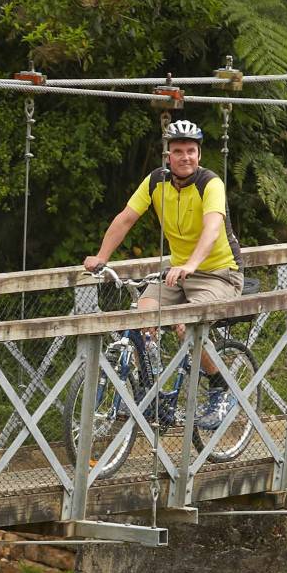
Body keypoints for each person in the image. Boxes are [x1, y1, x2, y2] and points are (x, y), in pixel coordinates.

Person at [82, 119, 241, 427]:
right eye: (178, 151)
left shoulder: (211, 184)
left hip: (220, 274)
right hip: (178, 274)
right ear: (168, 156)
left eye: (191, 151)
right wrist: (102, 257)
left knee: (186, 324)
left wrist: (191, 264)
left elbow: (212, 228)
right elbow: (127, 218)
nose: (185, 157)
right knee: (143, 314)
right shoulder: (156, 182)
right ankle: (151, 390)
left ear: (199, 154)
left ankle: (221, 387)